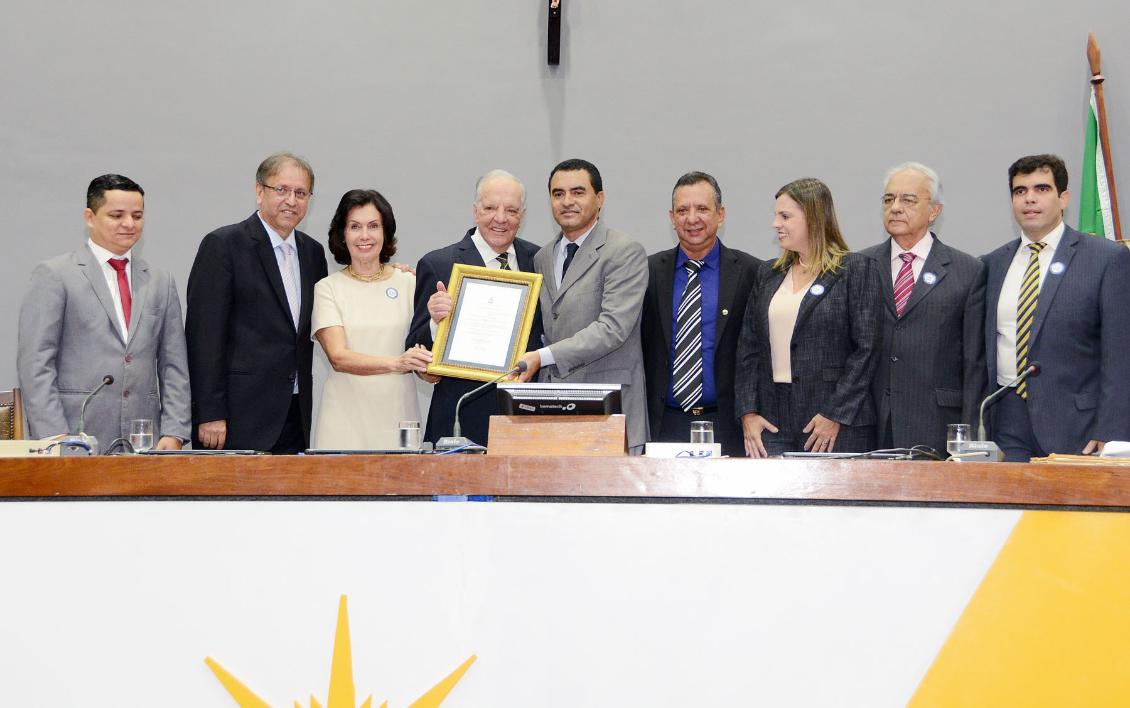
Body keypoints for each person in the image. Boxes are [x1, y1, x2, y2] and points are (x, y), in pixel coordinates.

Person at [17, 174, 191, 451]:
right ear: (89, 217)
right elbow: (36, 365)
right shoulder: (55, 275)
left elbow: (174, 366)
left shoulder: (160, 281)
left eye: (137, 215)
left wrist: (174, 432)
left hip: (145, 441)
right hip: (75, 437)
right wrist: (55, 437)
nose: (129, 224)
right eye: (117, 215)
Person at [982, 154, 1130, 460]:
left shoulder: (1106, 259)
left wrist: (1112, 430)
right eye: (1020, 191)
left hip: (1079, 425)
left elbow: (1120, 353)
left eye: (1042, 189)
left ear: (1064, 198)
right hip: (1005, 421)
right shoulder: (992, 264)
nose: (1029, 199)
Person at [185, 152, 329, 453]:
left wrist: (388, 272)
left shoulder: (312, 253)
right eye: (282, 190)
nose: (291, 200)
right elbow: (204, 337)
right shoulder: (224, 246)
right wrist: (210, 412)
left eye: (300, 193)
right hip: (236, 417)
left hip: (294, 411)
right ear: (259, 191)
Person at [736, 177, 882, 457]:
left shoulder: (856, 270)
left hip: (833, 423)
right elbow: (748, 349)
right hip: (771, 421)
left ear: (814, 218)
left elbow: (867, 350)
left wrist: (834, 414)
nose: (775, 224)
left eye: (785, 216)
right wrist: (748, 412)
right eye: (776, 215)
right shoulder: (767, 274)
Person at [517, 159, 649, 453]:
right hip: (551, 412)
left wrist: (543, 356)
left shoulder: (624, 251)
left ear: (599, 199)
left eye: (578, 192)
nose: (567, 202)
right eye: (558, 193)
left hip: (609, 410)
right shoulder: (542, 257)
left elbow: (612, 329)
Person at [406, 169, 542, 447]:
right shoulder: (439, 264)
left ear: (523, 216)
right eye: (490, 208)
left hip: (525, 419)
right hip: (460, 417)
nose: (500, 219)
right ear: (475, 210)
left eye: (511, 210)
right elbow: (415, 347)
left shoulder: (539, 260)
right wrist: (435, 321)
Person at [859, 162, 985, 454]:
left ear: (934, 211)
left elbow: (974, 363)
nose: (896, 207)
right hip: (871, 422)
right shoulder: (860, 266)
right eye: (889, 199)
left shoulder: (967, 270)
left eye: (908, 200)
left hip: (938, 423)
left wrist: (968, 437)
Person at [640, 171, 760, 455]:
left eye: (702, 209)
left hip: (728, 425)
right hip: (663, 425)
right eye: (682, 210)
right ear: (671, 217)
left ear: (721, 214)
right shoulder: (648, 271)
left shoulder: (751, 272)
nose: (692, 218)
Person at [311, 190, 430, 449]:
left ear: (385, 232)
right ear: (342, 234)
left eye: (373, 226)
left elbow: (426, 364)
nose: (365, 236)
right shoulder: (327, 288)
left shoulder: (410, 282)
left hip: (400, 419)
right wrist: (397, 363)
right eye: (355, 227)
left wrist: (431, 368)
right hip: (344, 421)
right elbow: (339, 357)